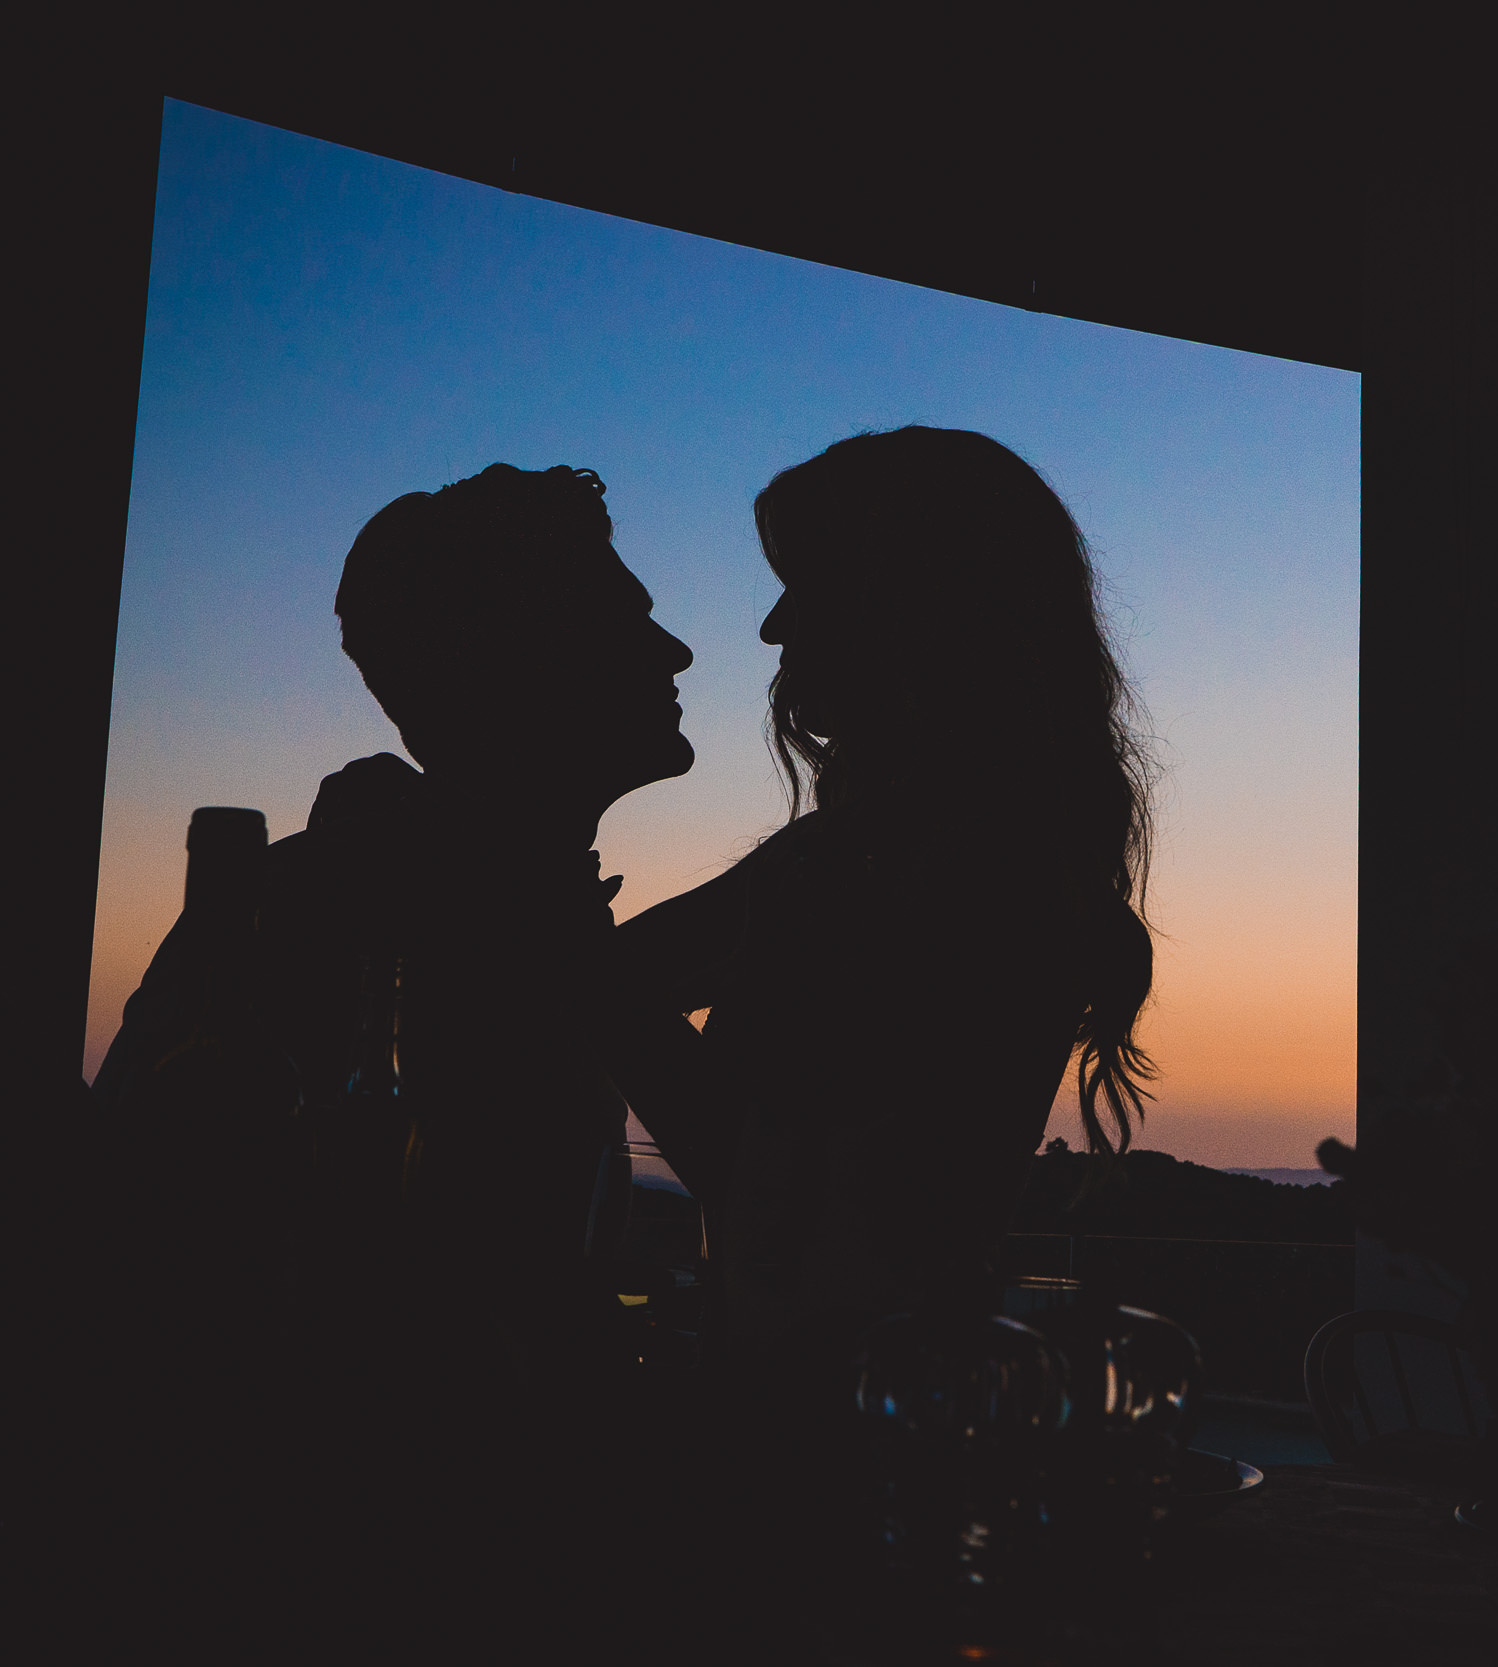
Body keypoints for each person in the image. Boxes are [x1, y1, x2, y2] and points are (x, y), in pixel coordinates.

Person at [87, 463, 695, 1647]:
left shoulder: (513, 909)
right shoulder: (320, 912)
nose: (674, 650)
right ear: (522, 665)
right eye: (628, 620)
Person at [602, 427, 1157, 1393]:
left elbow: (773, 1191)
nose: (775, 627)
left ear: (902, 608)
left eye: (805, 586)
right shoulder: (993, 853)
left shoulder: (865, 868)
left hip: (824, 1416)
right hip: (922, 1388)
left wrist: (586, 978)